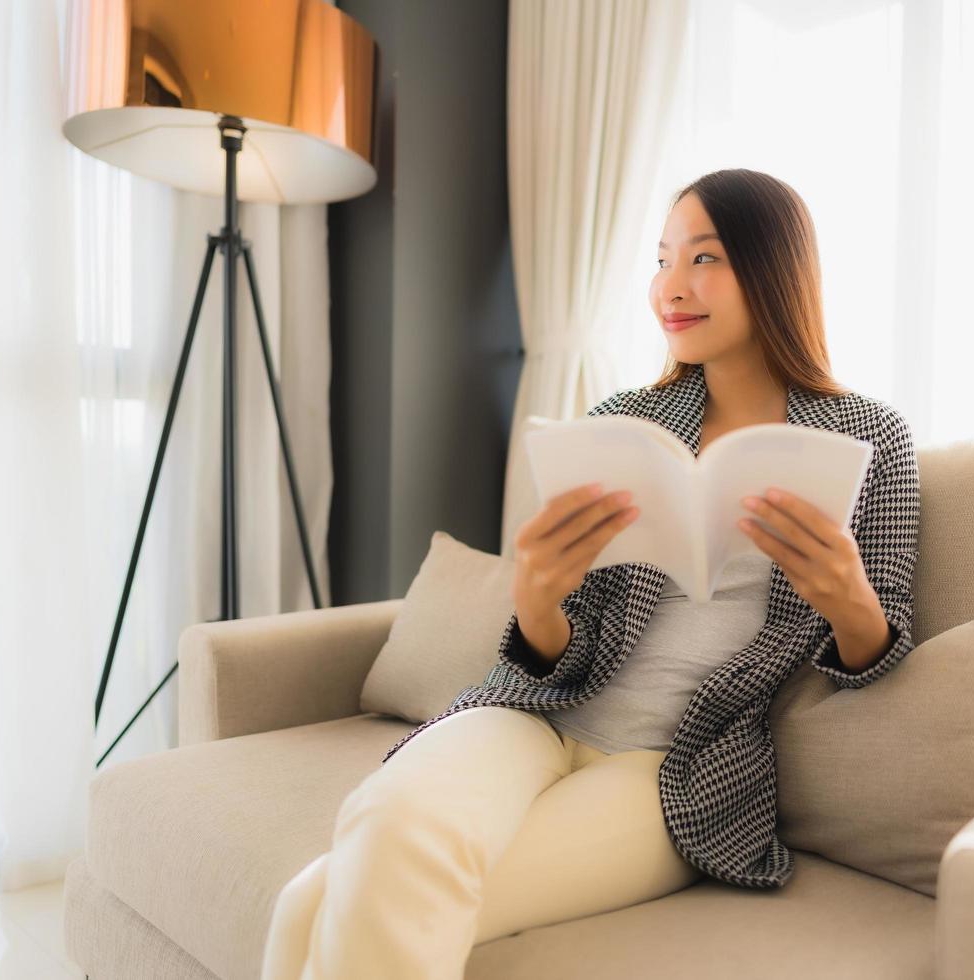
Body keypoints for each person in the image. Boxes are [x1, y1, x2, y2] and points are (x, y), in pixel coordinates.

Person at [260, 168, 921, 979]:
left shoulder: (868, 438)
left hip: (675, 766)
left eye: (704, 259)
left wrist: (846, 597)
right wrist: (537, 600)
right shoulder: (624, 424)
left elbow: (880, 651)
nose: (670, 288)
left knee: (312, 904)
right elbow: (551, 650)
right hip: (536, 716)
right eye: (661, 258)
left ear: (774, 270)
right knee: (378, 835)